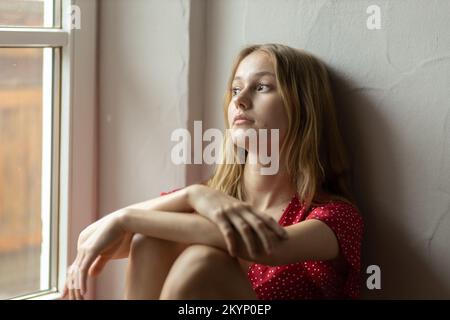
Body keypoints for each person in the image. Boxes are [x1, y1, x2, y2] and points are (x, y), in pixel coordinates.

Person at [62, 43, 363, 300]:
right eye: (235, 88)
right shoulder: (211, 197)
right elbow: (90, 239)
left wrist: (128, 218)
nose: (240, 100)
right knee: (149, 239)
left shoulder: (334, 216)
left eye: (261, 87)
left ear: (303, 107)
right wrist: (195, 195)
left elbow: (268, 246)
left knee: (201, 259)